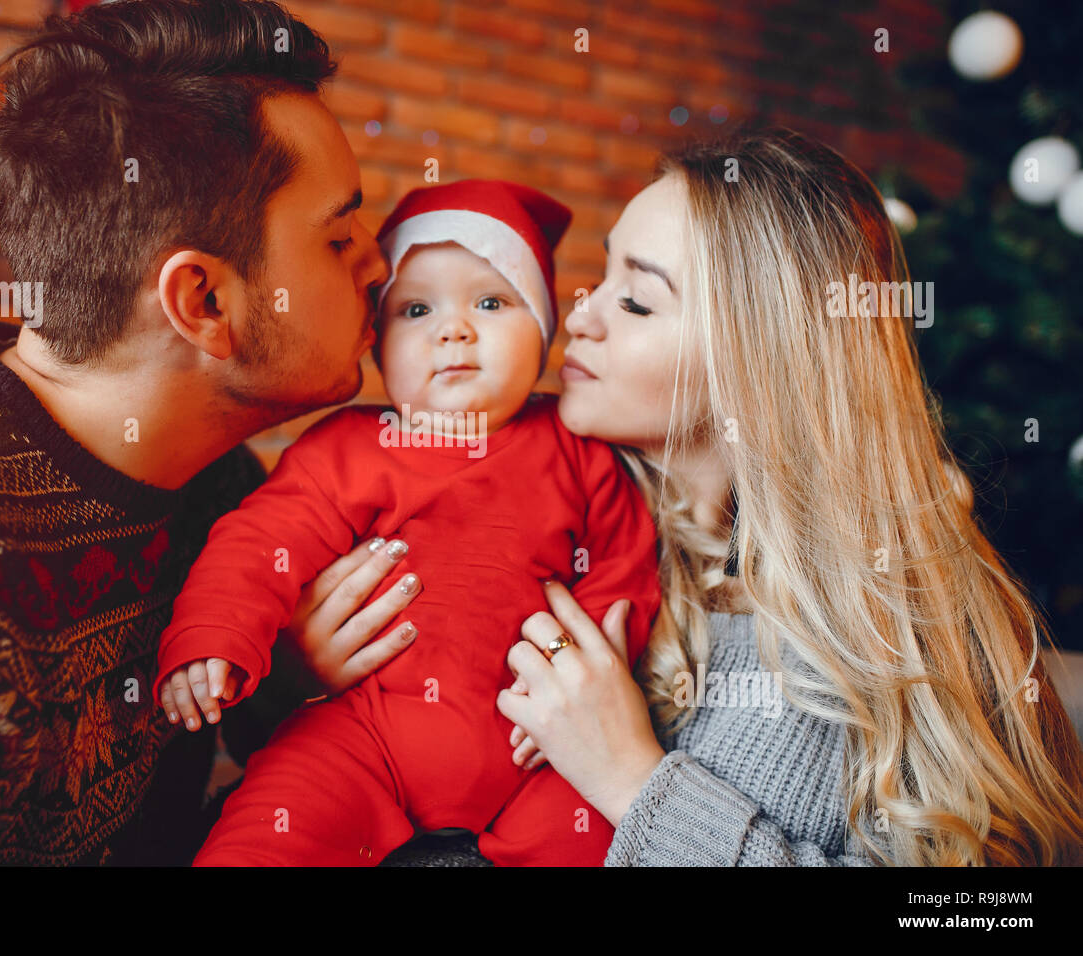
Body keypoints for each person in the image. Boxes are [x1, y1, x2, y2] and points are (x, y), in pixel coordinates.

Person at [269, 128, 1083, 866]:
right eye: (599, 276)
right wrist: (294, 679)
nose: (578, 315)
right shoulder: (561, 513)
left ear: (757, 356)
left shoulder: (915, 618)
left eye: (636, 299)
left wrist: (637, 785)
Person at [0, 0, 400, 865]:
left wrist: (277, 688)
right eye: (339, 237)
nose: (379, 261)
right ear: (205, 303)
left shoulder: (217, 483)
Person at [154, 179, 660, 866]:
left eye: (491, 301)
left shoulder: (577, 448)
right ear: (378, 344)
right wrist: (213, 634)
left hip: (538, 749)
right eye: (416, 309)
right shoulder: (348, 447)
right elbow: (258, 542)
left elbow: (624, 575)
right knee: (267, 829)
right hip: (363, 737)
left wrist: (583, 695)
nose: (453, 330)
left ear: (542, 332)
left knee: (595, 838)